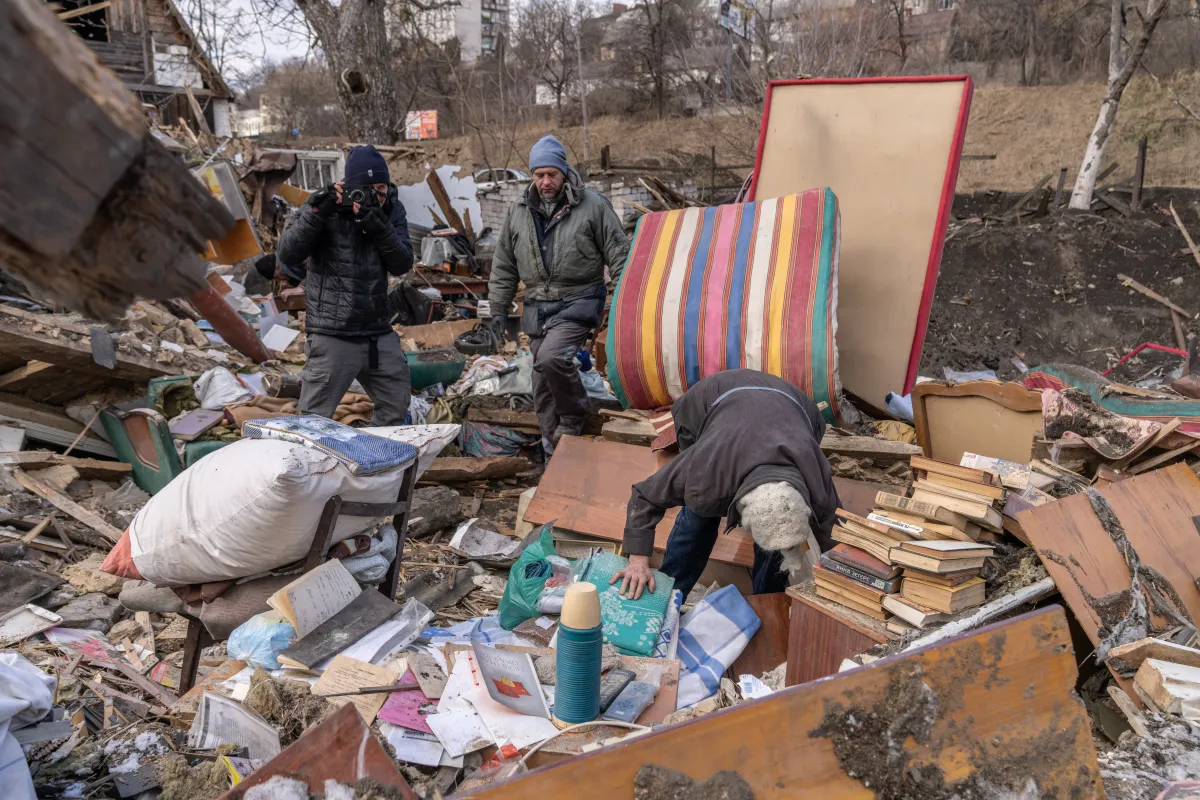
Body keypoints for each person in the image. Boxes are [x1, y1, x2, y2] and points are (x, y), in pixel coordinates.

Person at [612, 369, 841, 600]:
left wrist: (845, 578)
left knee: (777, 534)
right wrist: (638, 561)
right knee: (699, 514)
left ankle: (765, 606)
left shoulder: (814, 471)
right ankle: (669, 596)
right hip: (712, 395)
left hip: (796, 404)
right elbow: (645, 496)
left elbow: (833, 531)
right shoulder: (706, 464)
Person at [486, 135, 631, 453]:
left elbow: (620, 256)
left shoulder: (592, 205)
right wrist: (497, 310)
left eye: (551, 174)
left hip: (579, 300)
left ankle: (575, 414)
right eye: (539, 175)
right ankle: (556, 451)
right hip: (538, 306)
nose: (545, 181)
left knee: (553, 358)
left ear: (564, 172)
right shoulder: (518, 211)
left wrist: (624, 307)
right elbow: (504, 264)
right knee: (541, 380)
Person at [277, 144, 415, 426]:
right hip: (332, 332)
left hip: (377, 332)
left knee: (396, 408)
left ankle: (375, 464)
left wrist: (377, 224)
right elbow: (288, 255)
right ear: (350, 186)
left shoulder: (390, 210)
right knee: (313, 423)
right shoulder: (323, 206)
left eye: (382, 188)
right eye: (367, 189)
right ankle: (318, 470)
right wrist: (318, 210)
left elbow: (402, 263)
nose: (375, 197)